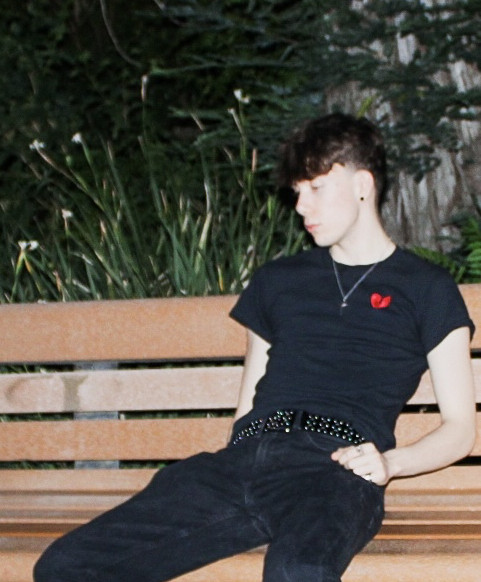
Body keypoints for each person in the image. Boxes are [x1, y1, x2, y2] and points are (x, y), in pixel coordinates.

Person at [34, 112, 476, 582]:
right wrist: (239, 457)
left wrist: (389, 463)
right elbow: (248, 404)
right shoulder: (277, 282)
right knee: (65, 567)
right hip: (244, 460)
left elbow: (460, 428)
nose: (301, 206)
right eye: (297, 192)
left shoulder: (425, 287)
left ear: (363, 184)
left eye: (316, 188)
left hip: (333, 468)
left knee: (297, 570)